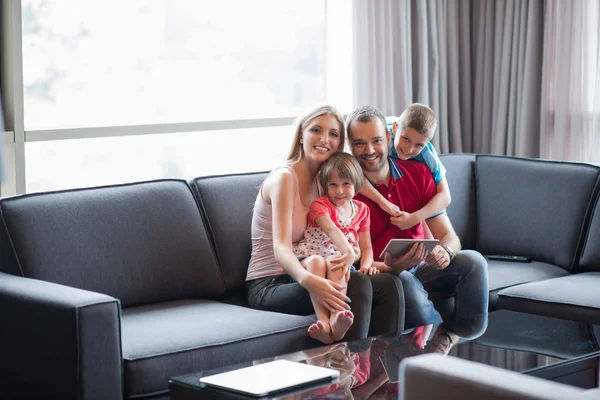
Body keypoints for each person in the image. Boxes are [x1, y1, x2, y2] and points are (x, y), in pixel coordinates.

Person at [246, 105, 404, 342]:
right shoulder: (284, 179)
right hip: (270, 284)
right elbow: (281, 249)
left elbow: (357, 182)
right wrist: (311, 282)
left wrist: (382, 203)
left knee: (389, 284)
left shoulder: (326, 181)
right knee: (358, 283)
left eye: (333, 134)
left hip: (310, 268)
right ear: (301, 135)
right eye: (316, 130)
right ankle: (348, 369)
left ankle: (382, 371)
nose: (324, 139)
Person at [347, 105, 488, 354]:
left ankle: (450, 339)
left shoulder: (419, 173)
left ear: (389, 137)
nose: (369, 151)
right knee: (404, 284)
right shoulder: (344, 190)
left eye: (376, 141)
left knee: (473, 262)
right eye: (359, 143)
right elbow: (355, 266)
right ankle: (420, 367)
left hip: (421, 268)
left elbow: (450, 236)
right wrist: (394, 267)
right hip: (383, 275)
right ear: (349, 146)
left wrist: (446, 251)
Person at [293, 152, 379, 343]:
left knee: (335, 262)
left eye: (346, 184)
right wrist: (349, 250)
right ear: (325, 186)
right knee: (318, 261)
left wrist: (366, 265)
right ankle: (323, 322)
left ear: (356, 184)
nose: (339, 191)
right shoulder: (320, 205)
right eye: (333, 185)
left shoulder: (362, 210)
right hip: (309, 257)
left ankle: (336, 318)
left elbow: (366, 247)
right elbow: (331, 230)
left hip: (338, 260)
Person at [357, 103, 451, 231]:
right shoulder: (380, 136)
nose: (409, 149)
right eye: (406, 139)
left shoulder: (426, 154)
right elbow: (352, 170)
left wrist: (414, 218)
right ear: (395, 129)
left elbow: (445, 196)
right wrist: (383, 202)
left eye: (418, 145)